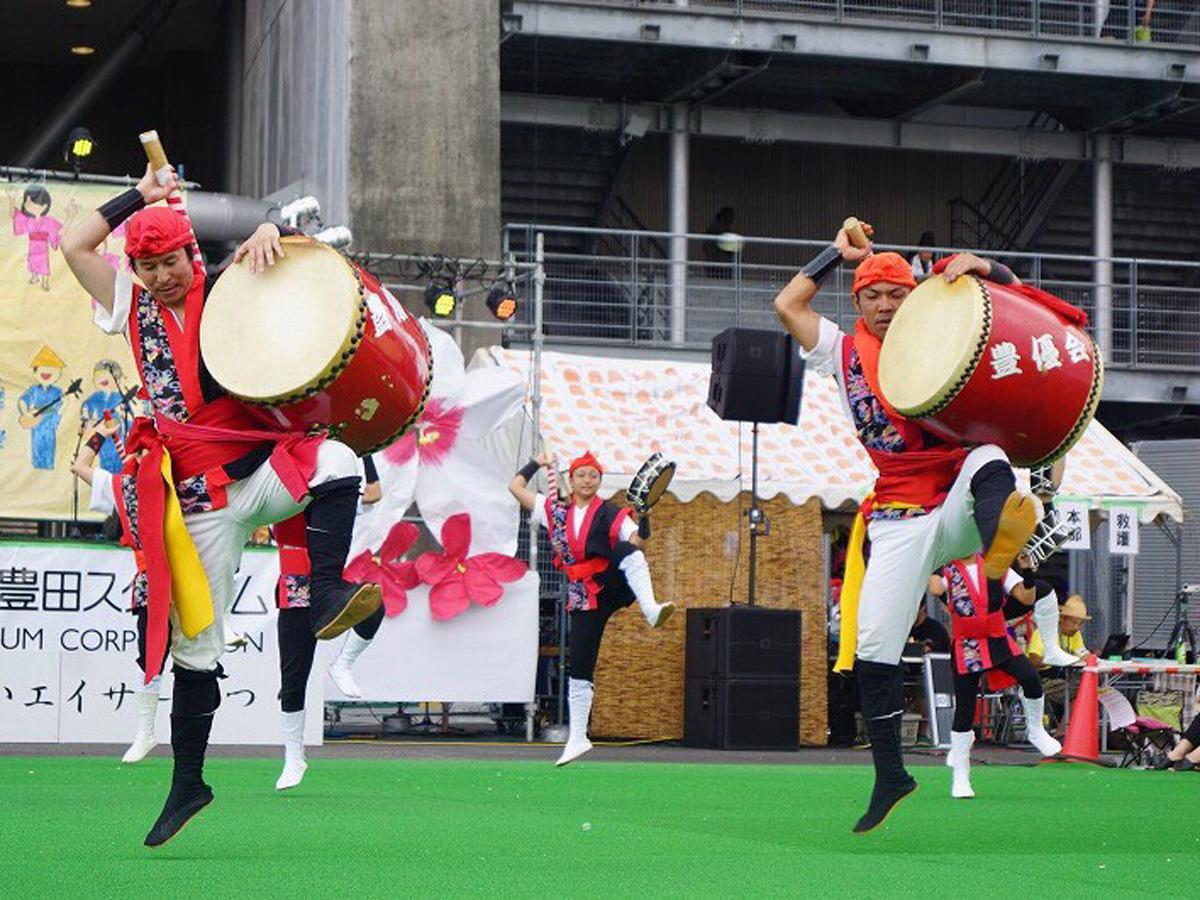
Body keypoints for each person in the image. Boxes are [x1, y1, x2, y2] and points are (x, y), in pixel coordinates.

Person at [61, 163, 382, 847]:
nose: (160, 276)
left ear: (190, 253)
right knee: (196, 650)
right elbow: (73, 245)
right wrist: (137, 198)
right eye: (146, 266)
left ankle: (326, 590)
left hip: (259, 473)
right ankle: (189, 783)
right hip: (199, 504)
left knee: (339, 460)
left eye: (169, 261)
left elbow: (298, 263)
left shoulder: (237, 289)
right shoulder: (130, 305)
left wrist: (273, 229)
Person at [773, 221, 1041, 832]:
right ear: (858, 301)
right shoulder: (840, 352)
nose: (888, 304)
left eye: (898, 293)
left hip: (956, 502)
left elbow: (1019, 308)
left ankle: (1000, 543)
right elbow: (787, 303)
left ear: (913, 294)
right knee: (874, 647)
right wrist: (834, 255)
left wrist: (989, 268)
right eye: (875, 295)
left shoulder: (945, 333)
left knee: (988, 456)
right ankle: (892, 774)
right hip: (895, 518)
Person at [509, 450, 674, 766]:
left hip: (610, 583)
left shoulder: (611, 513)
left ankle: (651, 608)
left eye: (593, 475)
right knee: (580, 664)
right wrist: (538, 463)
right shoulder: (554, 511)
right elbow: (515, 488)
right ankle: (577, 738)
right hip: (582, 595)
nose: (587, 480)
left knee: (627, 549)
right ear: (571, 480)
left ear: (600, 481)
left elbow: (639, 542)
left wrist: (646, 516)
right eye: (582, 475)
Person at [272, 454, 385, 791]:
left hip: (326, 578)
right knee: (293, 678)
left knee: (374, 607)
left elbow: (374, 491)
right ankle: (294, 756)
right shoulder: (279, 485)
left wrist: (360, 450)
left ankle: (343, 663)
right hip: (294, 586)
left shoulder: (336, 485)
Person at [71, 415, 165, 763]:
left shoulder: (183, 484)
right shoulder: (123, 487)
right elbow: (79, 466)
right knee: (149, 657)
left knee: (196, 663)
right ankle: (146, 730)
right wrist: (100, 435)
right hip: (149, 583)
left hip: (189, 579)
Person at [930, 558, 1062, 799]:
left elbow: (1026, 598)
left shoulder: (995, 566)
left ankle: (1035, 730)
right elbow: (936, 588)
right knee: (965, 711)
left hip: (996, 637)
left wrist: (1029, 572)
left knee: (1030, 678)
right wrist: (929, 554)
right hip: (967, 643)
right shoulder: (947, 569)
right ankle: (960, 775)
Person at [1042, 594, 1091, 729]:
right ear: (1062, 619)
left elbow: (1082, 652)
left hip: (1064, 679)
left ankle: (1065, 732)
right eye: (1074, 622)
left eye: (1080, 624)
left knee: (1085, 690)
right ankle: (1065, 731)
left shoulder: (1075, 635)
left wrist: (1091, 657)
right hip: (1045, 680)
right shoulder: (1050, 632)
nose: (1077, 627)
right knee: (1084, 691)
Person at [702, 206, 738, 279]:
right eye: (730, 217)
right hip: (717, 263)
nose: (732, 220)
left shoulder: (724, 229)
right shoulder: (716, 229)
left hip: (722, 263)